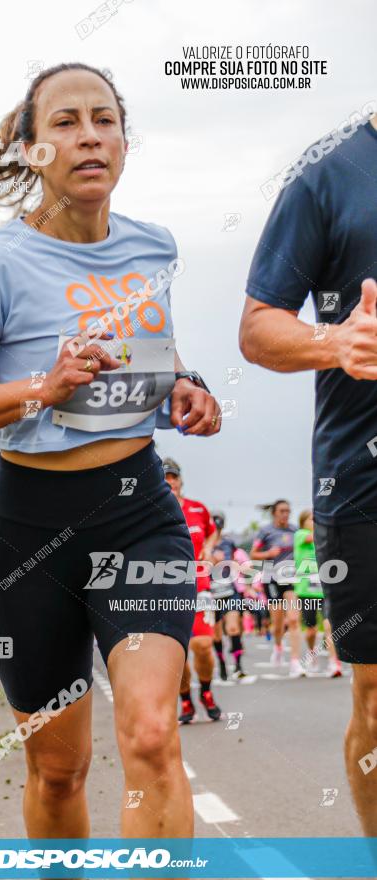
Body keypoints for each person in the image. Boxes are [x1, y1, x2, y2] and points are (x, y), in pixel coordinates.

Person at [0, 63, 221, 842]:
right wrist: (39, 390)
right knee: (60, 770)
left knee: (152, 733)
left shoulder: (153, 247)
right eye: (63, 122)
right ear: (29, 149)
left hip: (137, 517)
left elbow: (153, 356)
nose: (88, 135)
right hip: (29, 529)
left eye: (103, 119)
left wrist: (183, 387)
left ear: (123, 139)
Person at [239, 108, 377, 833]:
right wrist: (333, 341)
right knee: (376, 700)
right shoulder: (328, 173)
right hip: (361, 481)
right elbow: (258, 326)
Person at [162, 459, 222, 722]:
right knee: (177, 653)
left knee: (203, 644)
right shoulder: (148, 509)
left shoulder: (198, 509)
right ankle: (185, 699)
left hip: (199, 587)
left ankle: (206, 692)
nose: (170, 482)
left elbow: (212, 531)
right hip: (164, 590)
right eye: (164, 478)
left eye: (173, 477)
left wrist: (209, 549)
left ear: (180, 480)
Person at [250, 500, 304, 677]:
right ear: (274, 513)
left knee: (294, 619)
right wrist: (268, 554)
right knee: (278, 622)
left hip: (290, 579)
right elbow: (253, 554)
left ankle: (295, 662)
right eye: (282, 511)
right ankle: (278, 645)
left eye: (288, 511)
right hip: (271, 579)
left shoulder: (295, 530)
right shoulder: (265, 531)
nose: (285, 514)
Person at [294, 510, 342, 678]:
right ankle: (312, 653)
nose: (314, 522)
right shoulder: (301, 535)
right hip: (306, 590)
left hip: (324, 589)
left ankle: (333, 662)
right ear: (303, 522)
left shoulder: (323, 538)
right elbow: (311, 537)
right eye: (311, 519)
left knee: (330, 625)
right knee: (311, 630)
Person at [211, 513, 247, 680]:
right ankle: (222, 664)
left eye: (219, 526)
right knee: (216, 634)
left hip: (229, 590)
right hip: (210, 593)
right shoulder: (202, 543)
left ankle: (238, 666)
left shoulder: (228, 543)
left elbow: (234, 561)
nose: (217, 530)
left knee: (233, 628)